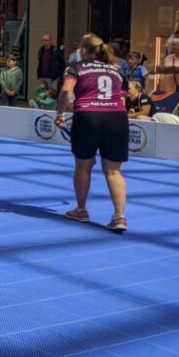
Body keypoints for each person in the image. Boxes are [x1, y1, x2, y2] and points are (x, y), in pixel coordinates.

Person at [57, 33, 129, 232]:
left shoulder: (76, 68)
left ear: (84, 51)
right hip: (117, 118)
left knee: (83, 166)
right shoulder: (116, 70)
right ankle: (119, 216)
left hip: (88, 116)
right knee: (114, 171)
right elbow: (124, 98)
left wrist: (60, 113)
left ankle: (81, 210)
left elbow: (66, 91)